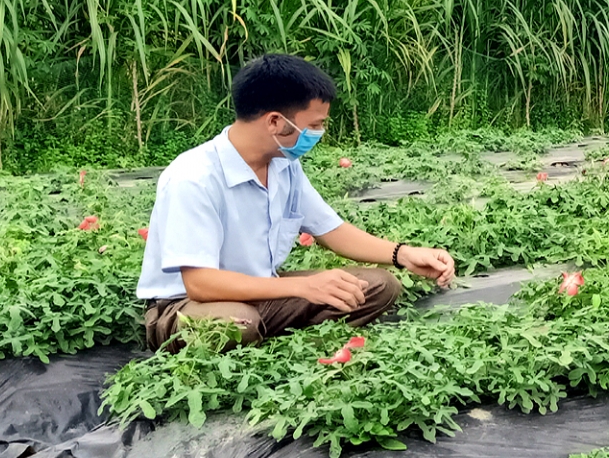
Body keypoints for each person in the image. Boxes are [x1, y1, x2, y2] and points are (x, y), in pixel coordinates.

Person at [138, 54, 456, 351]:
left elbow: (331, 230)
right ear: (275, 121)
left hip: (261, 290)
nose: (319, 133)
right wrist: (304, 288)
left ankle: (279, 340)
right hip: (183, 307)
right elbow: (201, 285)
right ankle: (278, 337)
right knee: (238, 323)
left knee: (377, 285)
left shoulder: (284, 166)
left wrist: (404, 254)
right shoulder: (194, 177)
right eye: (315, 124)